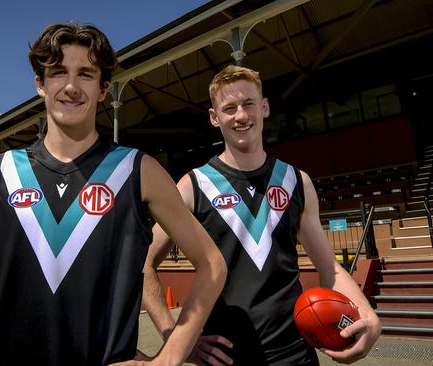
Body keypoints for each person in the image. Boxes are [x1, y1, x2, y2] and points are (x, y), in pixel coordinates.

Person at [0, 22, 226, 366]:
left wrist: (169, 357)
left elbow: (212, 264)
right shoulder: (0, 172)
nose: (70, 86)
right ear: (40, 83)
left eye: (85, 74)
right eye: (57, 72)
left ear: (103, 89)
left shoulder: (138, 170)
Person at [142, 65, 381, 365]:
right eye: (229, 108)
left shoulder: (296, 181)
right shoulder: (193, 186)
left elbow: (328, 268)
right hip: (225, 358)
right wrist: (173, 339)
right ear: (215, 118)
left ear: (264, 107)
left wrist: (366, 312)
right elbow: (144, 262)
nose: (241, 115)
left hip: (296, 354)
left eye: (248, 104)